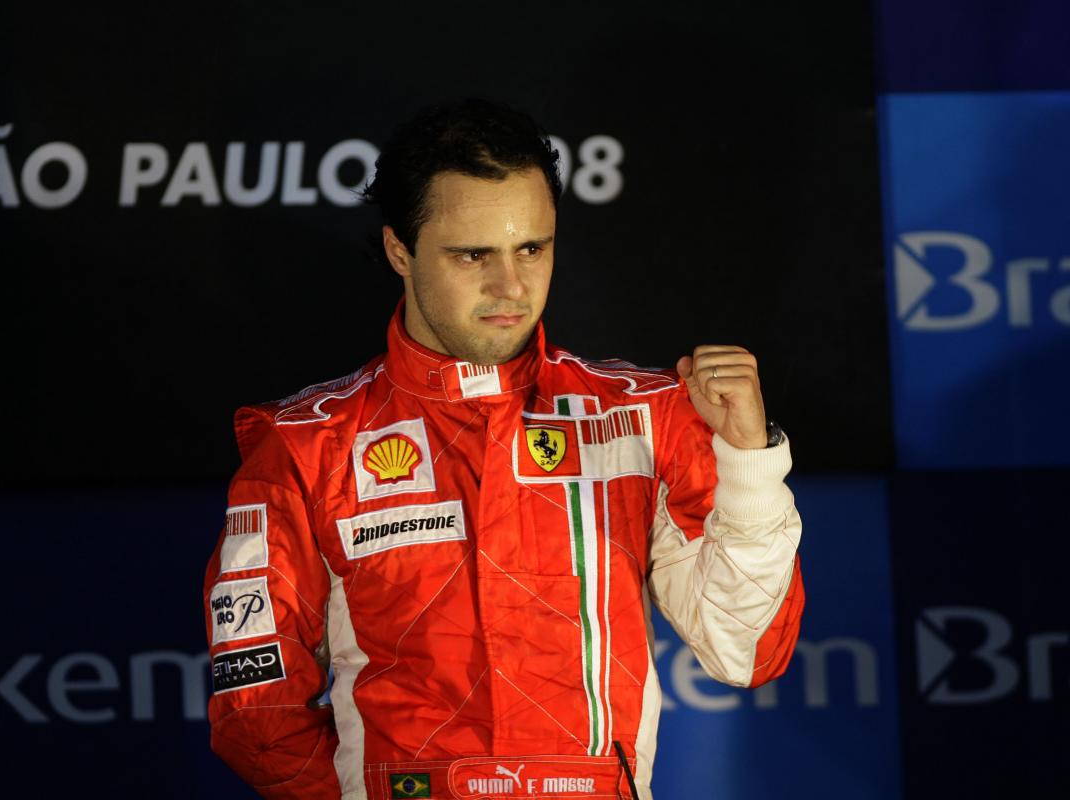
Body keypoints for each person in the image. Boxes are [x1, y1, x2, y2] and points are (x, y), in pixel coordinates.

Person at [202, 98, 804, 800]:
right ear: (400, 249)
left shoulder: (644, 418)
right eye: (471, 255)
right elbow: (255, 711)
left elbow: (748, 651)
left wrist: (749, 465)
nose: (511, 287)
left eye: (531, 249)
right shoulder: (306, 444)